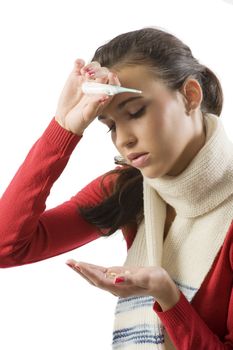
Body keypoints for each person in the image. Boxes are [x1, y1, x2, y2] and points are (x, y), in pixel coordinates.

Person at [0, 27, 232, 350]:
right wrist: (64, 127)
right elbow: (6, 247)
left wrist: (168, 296)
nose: (123, 140)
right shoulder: (128, 189)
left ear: (191, 96)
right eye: (110, 125)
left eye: (135, 112)